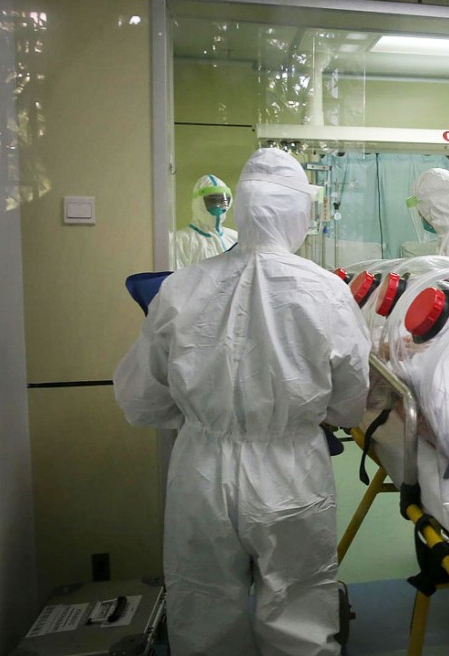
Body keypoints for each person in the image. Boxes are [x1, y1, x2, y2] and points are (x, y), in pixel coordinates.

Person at [114, 148, 372, 656]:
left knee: (203, 606)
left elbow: (141, 398)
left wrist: (204, 420)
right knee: (298, 603)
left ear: (242, 207)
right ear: (298, 211)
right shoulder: (326, 291)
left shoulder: (181, 288)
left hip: (201, 471)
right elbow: (349, 401)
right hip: (292, 470)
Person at [172, 174, 239, 269]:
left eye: (223, 201)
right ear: (199, 202)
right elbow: (175, 280)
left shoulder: (235, 238)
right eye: (213, 201)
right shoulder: (181, 241)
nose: (218, 206)